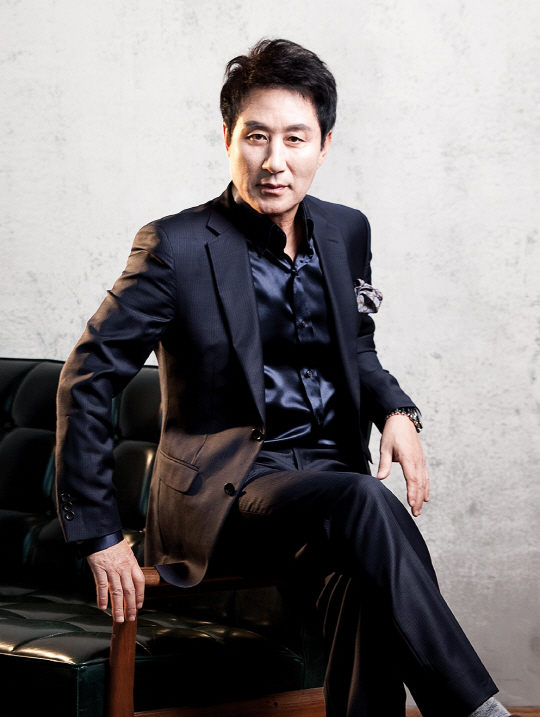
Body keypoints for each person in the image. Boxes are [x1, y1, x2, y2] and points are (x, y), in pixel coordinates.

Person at [55, 39, 518, 717]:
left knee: (364, 577)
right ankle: (476, 710)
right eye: (257, 137)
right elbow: (87, 377)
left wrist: (396, 410)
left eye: (295, 138)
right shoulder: (174, 247)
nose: (275, 160)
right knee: (365, 503)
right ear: (228, 138)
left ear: (324, 145)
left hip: (326, 487)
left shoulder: (346, 230)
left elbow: (355, 344)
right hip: (228, 495)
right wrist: (98, 533)